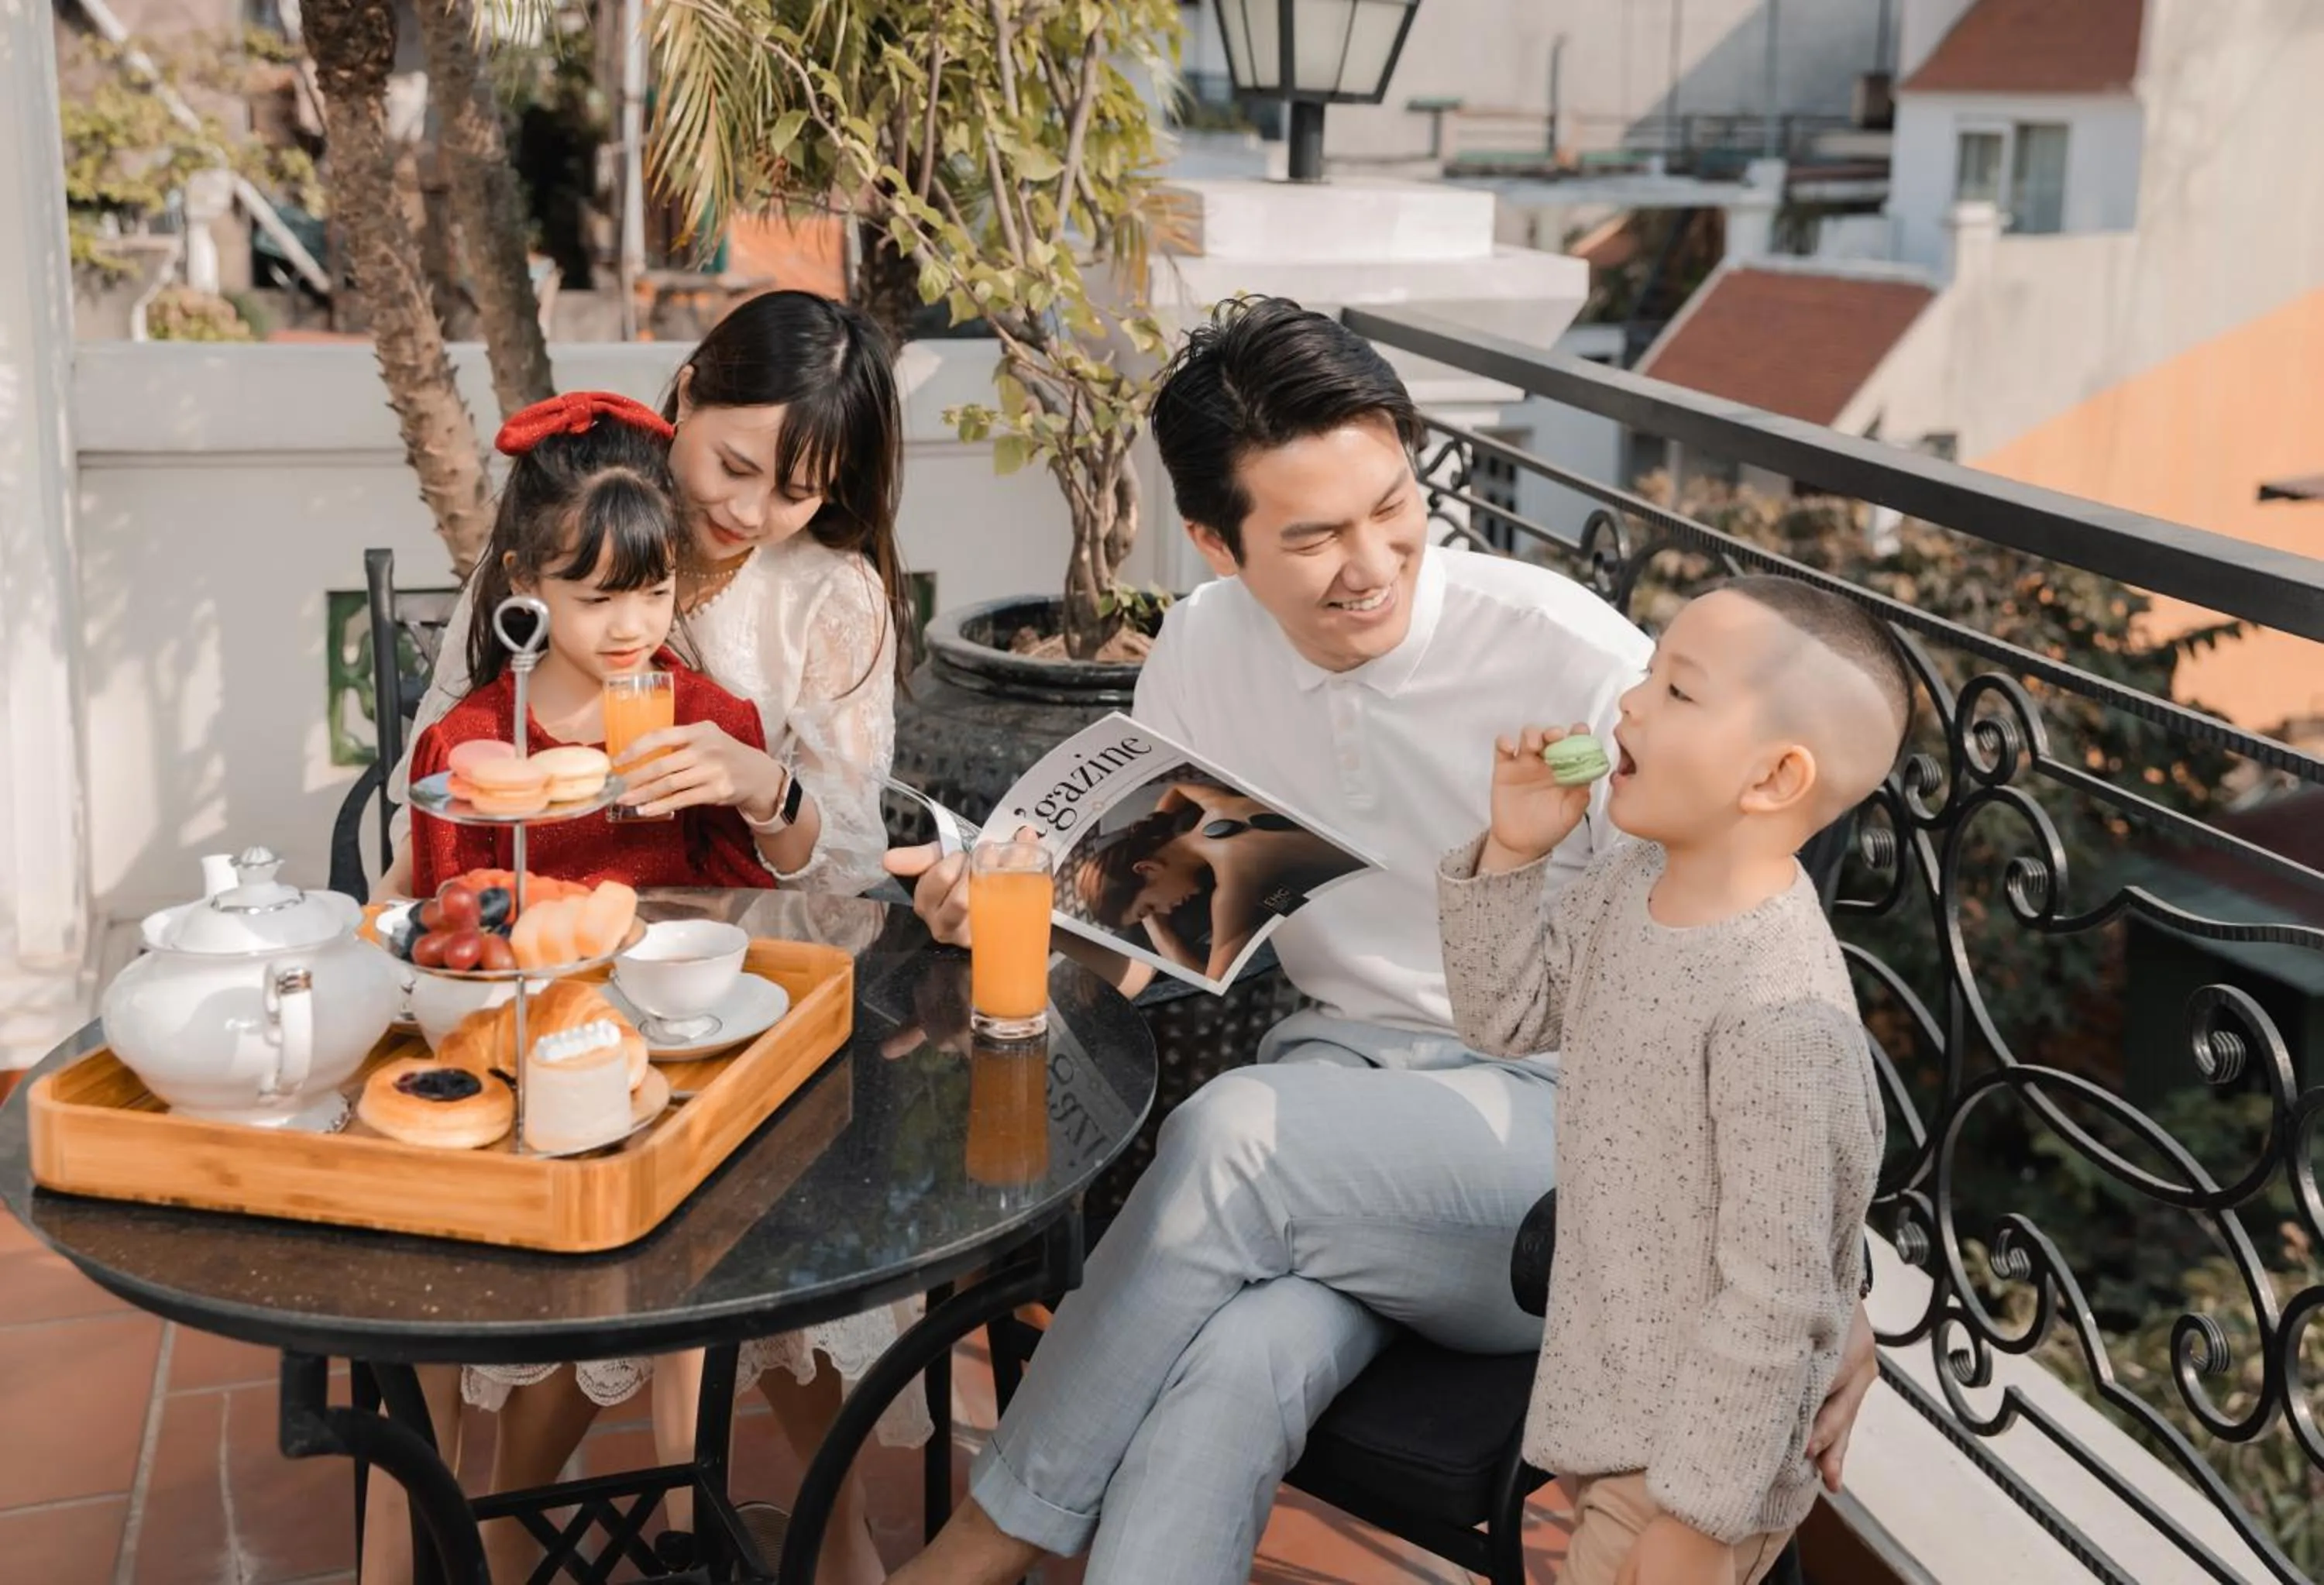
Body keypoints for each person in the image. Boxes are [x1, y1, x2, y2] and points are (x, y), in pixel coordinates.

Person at [883, 296, 1880, 1585]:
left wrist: (1830, 1286)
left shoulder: (1567, 656)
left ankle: (983, 1543)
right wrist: (1010, 918)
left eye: (1391, 504)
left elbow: (1755, 952)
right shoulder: (1200, 652)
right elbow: (1146, 944)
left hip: (1559, 1145)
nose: (1373, 559)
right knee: (1238, 1363)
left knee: (1233, 1142)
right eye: (1312, 536)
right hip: (1338, 1103)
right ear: (1212, 541)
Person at [368, 293, 923, 1585]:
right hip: (544, 992)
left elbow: (843, 868)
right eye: (735, 465)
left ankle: (817, 1542)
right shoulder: (577, 526)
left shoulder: (825, 597)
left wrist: (757, 779)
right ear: (684, 390)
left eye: (798, 491)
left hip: (750, 990)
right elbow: (443, 774)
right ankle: (521, 1535)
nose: (750, 510)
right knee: (619, 1217)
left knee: (739, 1207)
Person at [1438, 576, 1903, 1584]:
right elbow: (1503, 1014)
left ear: (1775, 778)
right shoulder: (1631, 880)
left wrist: (1696, 1516)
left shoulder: (1782, 1014)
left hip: (1693, 1469)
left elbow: (1780, 1296)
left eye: (1678, 691)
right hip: (1607, 1408)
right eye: (1647, 670)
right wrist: (1515, 852)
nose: (1631, 704)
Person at [403, 393, 785, 895]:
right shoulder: (469, 748)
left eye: (655, 593)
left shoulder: (708, 726)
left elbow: (748, 902)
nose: (630, 627)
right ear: (524, 580)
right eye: (598, 600)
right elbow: (460, 920)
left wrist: (764, 787)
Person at [1061, 777, 1366, 980]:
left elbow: (1211, 980)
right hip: (1346, 814)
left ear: (1147, 869)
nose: (1166, 911)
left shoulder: (1234, 884)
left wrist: (1156, 928)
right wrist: (1158, 823)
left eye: (1150, 906)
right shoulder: (1216, 807)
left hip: (1361, 885)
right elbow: (1177, 789)